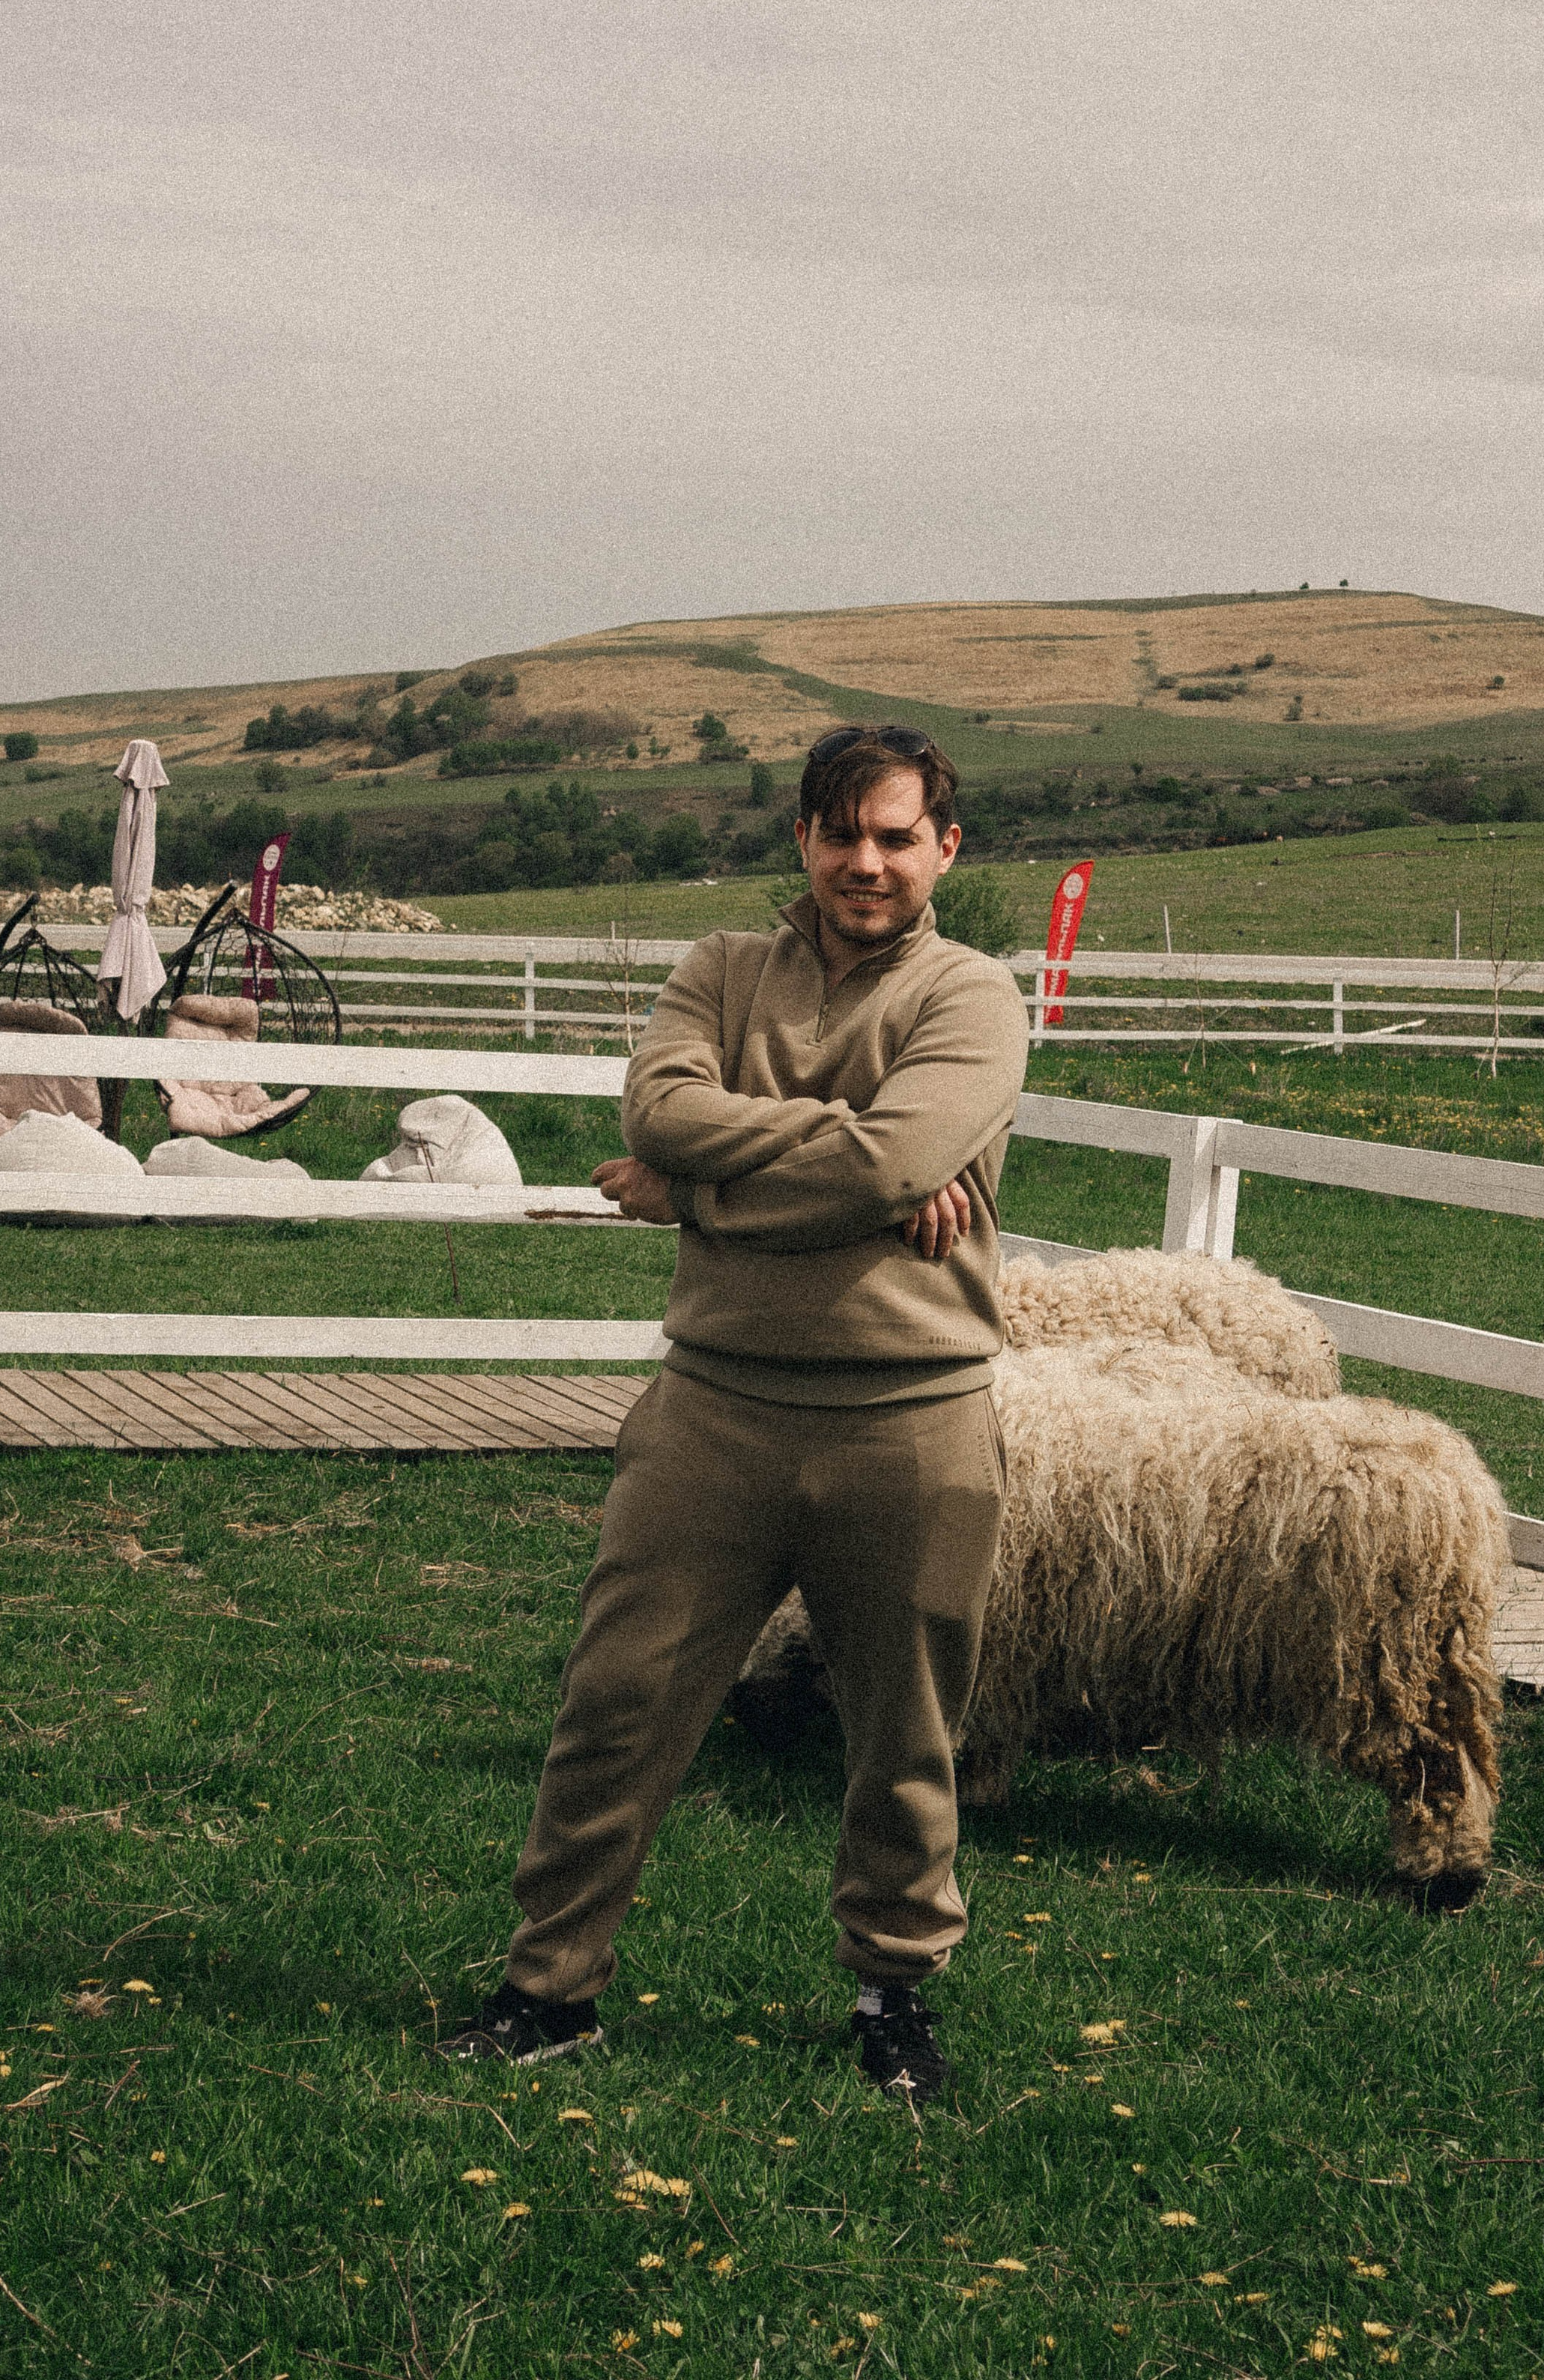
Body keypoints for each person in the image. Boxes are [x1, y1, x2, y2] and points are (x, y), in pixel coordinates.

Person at [439, 725, 1031, 2101]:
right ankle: (549, 1991)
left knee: (905, 1732)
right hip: (713, 1412)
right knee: (618, 1704)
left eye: (895, 837)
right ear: (804, 842)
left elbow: (897, 1150)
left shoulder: (974, 996)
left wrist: (698, 1190)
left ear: (946, 848)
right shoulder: (720, 969)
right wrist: (855, 1172)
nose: (864, 862)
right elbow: (663, 1107)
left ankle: (895, 1997)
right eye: (840, 833)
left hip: (913, 1423)